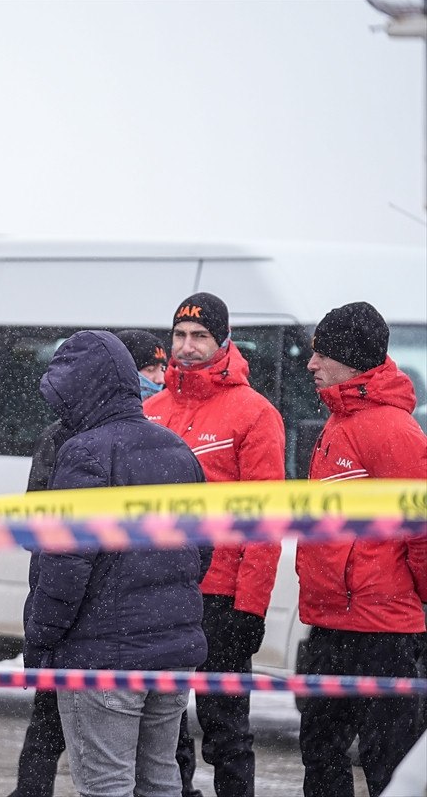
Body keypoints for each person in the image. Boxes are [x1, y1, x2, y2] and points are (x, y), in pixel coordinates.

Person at [24, 330, 208, 797]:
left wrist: (42, 638)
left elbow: (64, 566)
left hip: (102, 654)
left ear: (82, 391)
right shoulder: (176, 448)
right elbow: (202, 548)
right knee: (160, 777)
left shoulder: (83, 453)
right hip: (172, 649)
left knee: (105, 783)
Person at [144, 293, 285, 797]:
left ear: (223, 341)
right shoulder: (151, 410)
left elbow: (265, 522)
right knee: (164, 729)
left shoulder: (254, 413)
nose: (187, 347)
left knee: (226, 731)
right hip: (159, 593)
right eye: (180, 335)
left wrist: (251, 606)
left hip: (221, 598)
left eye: (200, 336)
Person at [294, 302, 427, 797]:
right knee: (320, 753)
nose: (311, 365)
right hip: (331, 622)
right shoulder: (339, 417)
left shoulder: (393, 429)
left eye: (321, 354)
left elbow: (420, 531)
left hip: (380, 630)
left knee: (386, 760)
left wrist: (412, 599)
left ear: (350, 359)